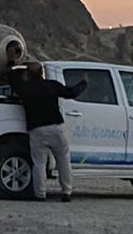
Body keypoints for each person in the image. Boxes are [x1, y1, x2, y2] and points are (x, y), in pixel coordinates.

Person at [6, 61, 87, 202]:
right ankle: (66, 192)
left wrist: (14, 63)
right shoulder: (52, 85)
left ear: (27, 74)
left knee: (39, 163)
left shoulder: (24, 88)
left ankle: (40, 194)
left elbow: (11, 76)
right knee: (63, 160)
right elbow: (71, 92)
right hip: (56, 127)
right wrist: (84, 82)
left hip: (36, 130)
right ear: (42, 73)